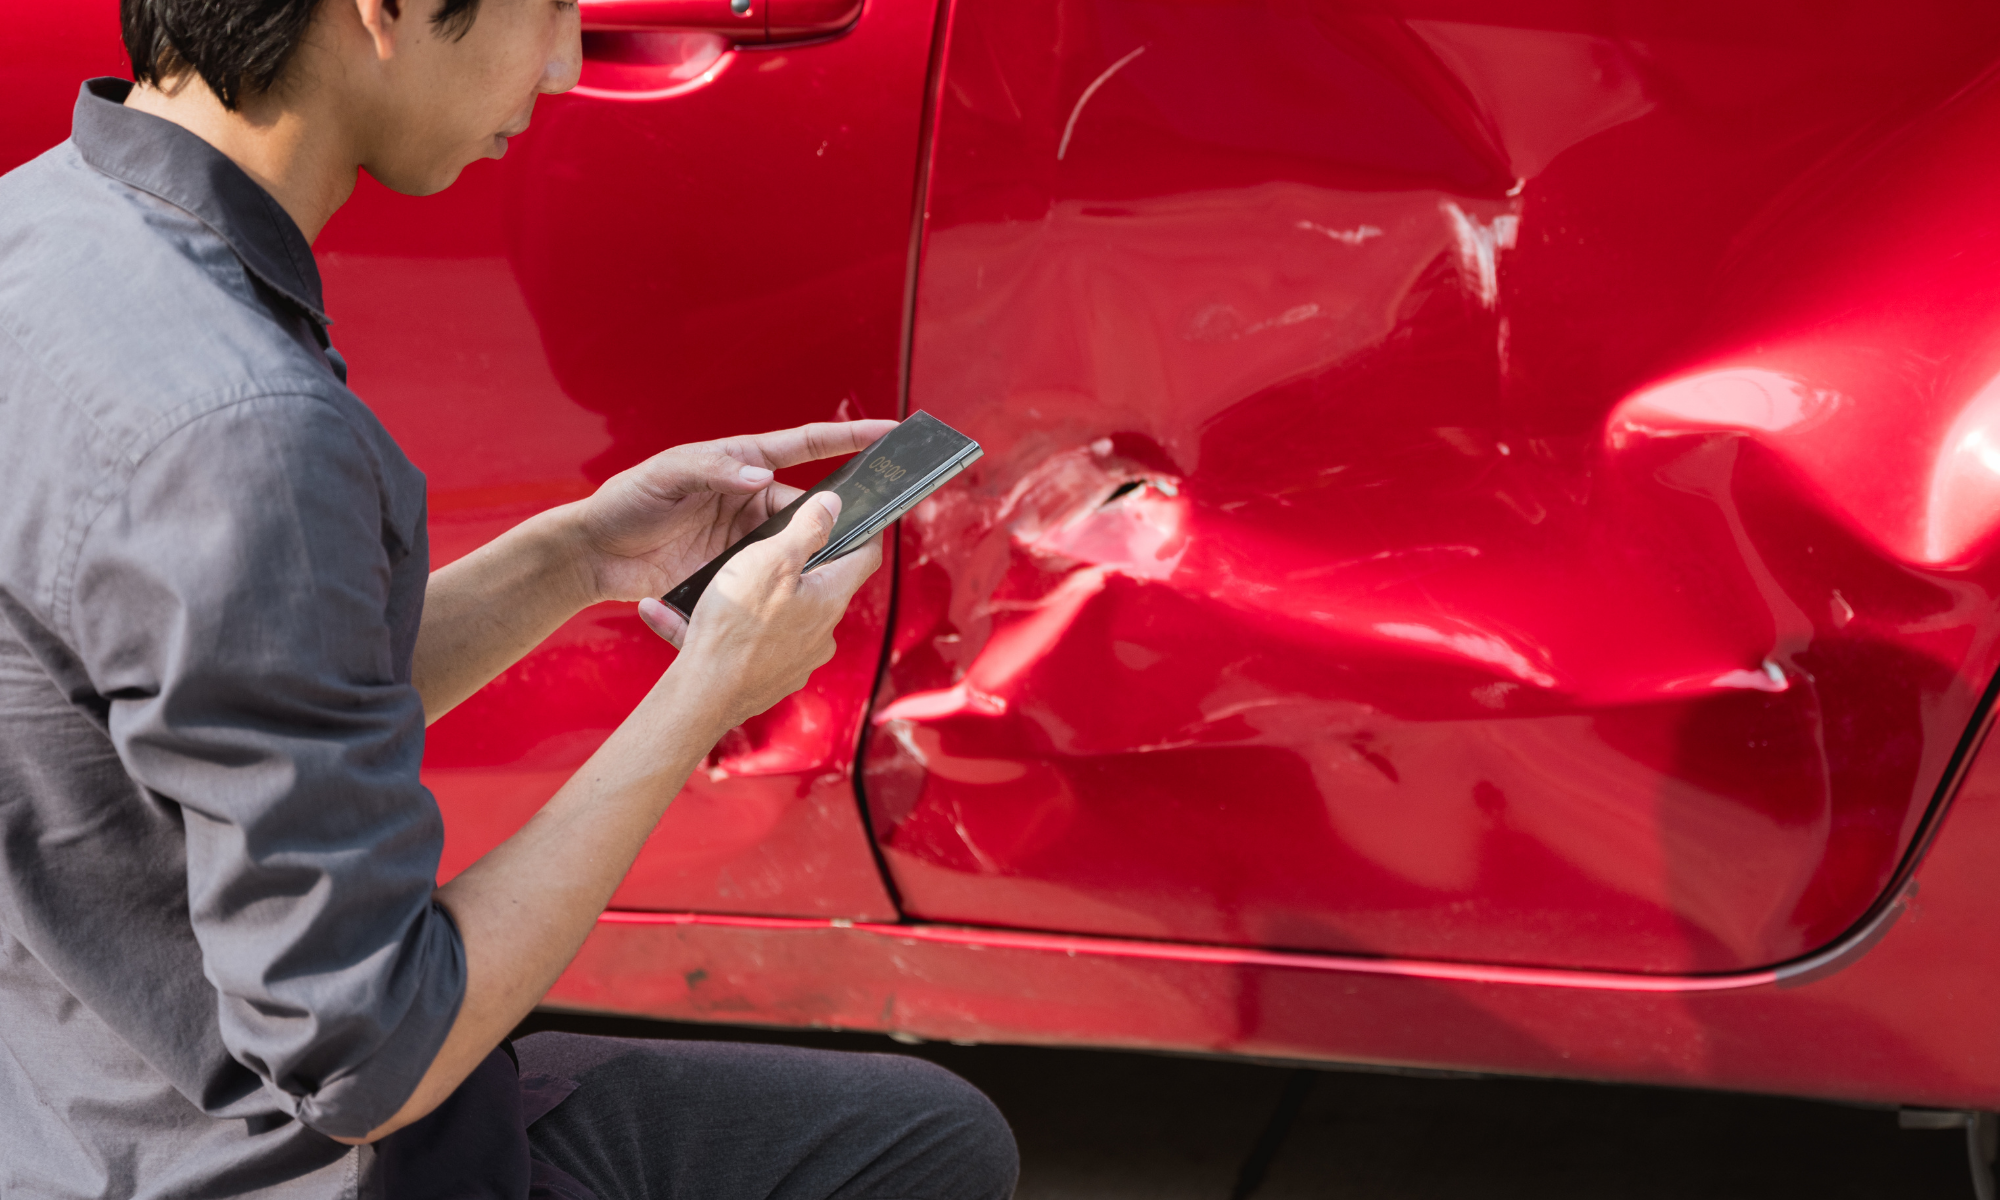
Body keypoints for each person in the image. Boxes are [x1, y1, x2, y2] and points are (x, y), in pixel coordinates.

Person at [0, 0, 1018, 1196]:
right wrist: (705, 693)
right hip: (287, 1165)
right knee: (932, 1147)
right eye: (547, 7)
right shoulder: (245, 433)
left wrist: (576, 557)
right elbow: (376, 1056)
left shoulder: (47, 228)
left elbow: (218, 709)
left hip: (70, 1109)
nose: (567, 62)